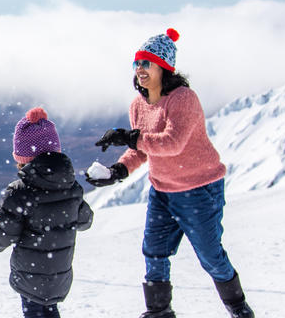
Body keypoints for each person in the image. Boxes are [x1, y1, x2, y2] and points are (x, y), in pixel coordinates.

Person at [86, 28, 254, 318]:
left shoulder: (183, 99)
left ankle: (239, 310)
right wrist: (117, 171)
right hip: (163, 190)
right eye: (137, 63)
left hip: (199, 188)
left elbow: (171, 143)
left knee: (211, 257)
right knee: (154, 251)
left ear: (164, 67)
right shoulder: (138, 105)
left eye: (146, 63)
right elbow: (143, 149)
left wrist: (129, 137)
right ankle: (159, 312)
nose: (140, 70)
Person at [0, 107, 94, 318]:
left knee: (34, 311)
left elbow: (2, 236)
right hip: (59, 273)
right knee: (50, 310)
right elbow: (85, 221)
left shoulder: (20, 191)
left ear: (25, 158)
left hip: (30, 275)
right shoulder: (71, 187)